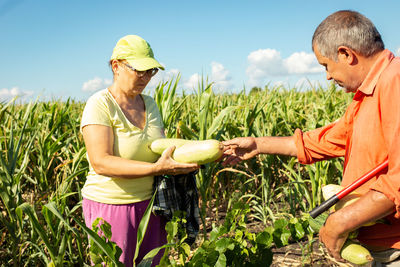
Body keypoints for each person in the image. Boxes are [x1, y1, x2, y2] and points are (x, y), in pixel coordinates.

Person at [222, 10, 400, 266]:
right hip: (376, 246)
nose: (327, 76)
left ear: (345, 54)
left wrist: (340, 221)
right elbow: (327, 140)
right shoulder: (368, 93)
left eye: (326, 65)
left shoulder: (394, 80)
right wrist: (258, 144)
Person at [80, 34, 199, 266]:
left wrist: (205, 151)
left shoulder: (150, 103)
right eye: (139, 70)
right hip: (111, 205)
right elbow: (101, 162)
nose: (146, 77)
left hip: (152, 205)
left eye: (151, 71)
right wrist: (156, 168)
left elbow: (162, 147)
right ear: (116, 66)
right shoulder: (100, 104)